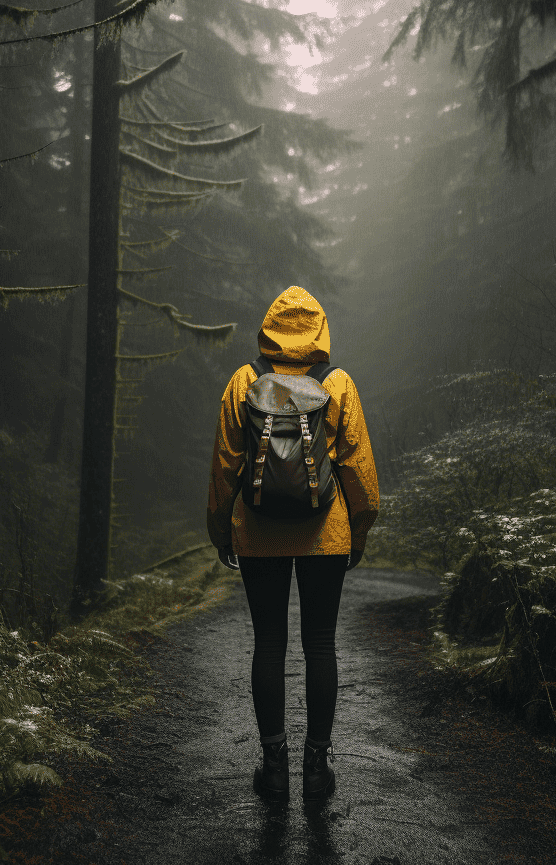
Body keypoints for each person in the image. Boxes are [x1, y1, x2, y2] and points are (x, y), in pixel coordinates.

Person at [207, 286, 379, 802]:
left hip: (258, 533)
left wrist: (222, 531)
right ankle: (317, 769)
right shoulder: (337, 382)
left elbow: (224, 468)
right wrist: (359, 530)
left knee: (269, 644)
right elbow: (357, 469)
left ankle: (274, 765)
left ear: (270, 327)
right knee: (320, 643)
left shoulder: (244, 380)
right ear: (319, 330)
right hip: (325, 534)